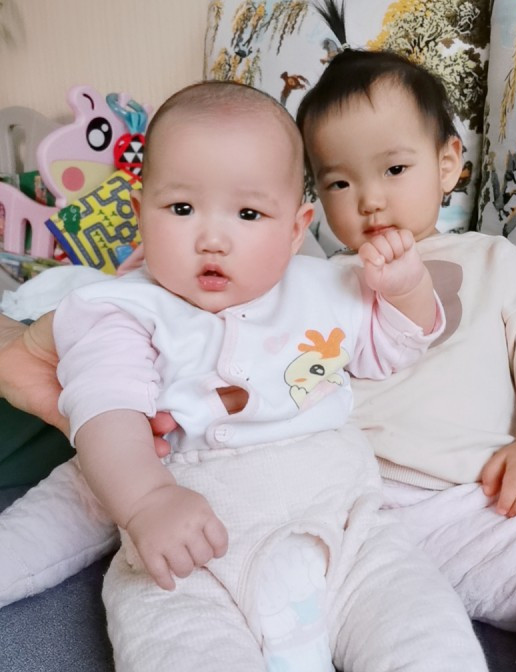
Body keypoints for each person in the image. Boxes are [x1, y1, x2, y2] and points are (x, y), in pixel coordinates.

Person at [3, 3, 516, 672]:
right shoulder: (310, 278)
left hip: (466, 505)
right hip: (349, 504)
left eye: (395, 169)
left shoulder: (490, 259)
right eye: (339, 184)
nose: (370, 199)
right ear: (310, 208)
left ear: (448, 164)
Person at [1, 80, 488, 672]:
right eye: (181, 209)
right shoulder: (122, 312)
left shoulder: (329, 288)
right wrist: (148, 500)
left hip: (346, 533)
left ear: (295, 228)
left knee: (426, 634)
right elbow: (106, 413)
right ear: (139, 212)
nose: (212, 238)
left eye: (249, 213)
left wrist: (406, 290)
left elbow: (393, 349)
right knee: (175, 638)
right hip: (195, 555)